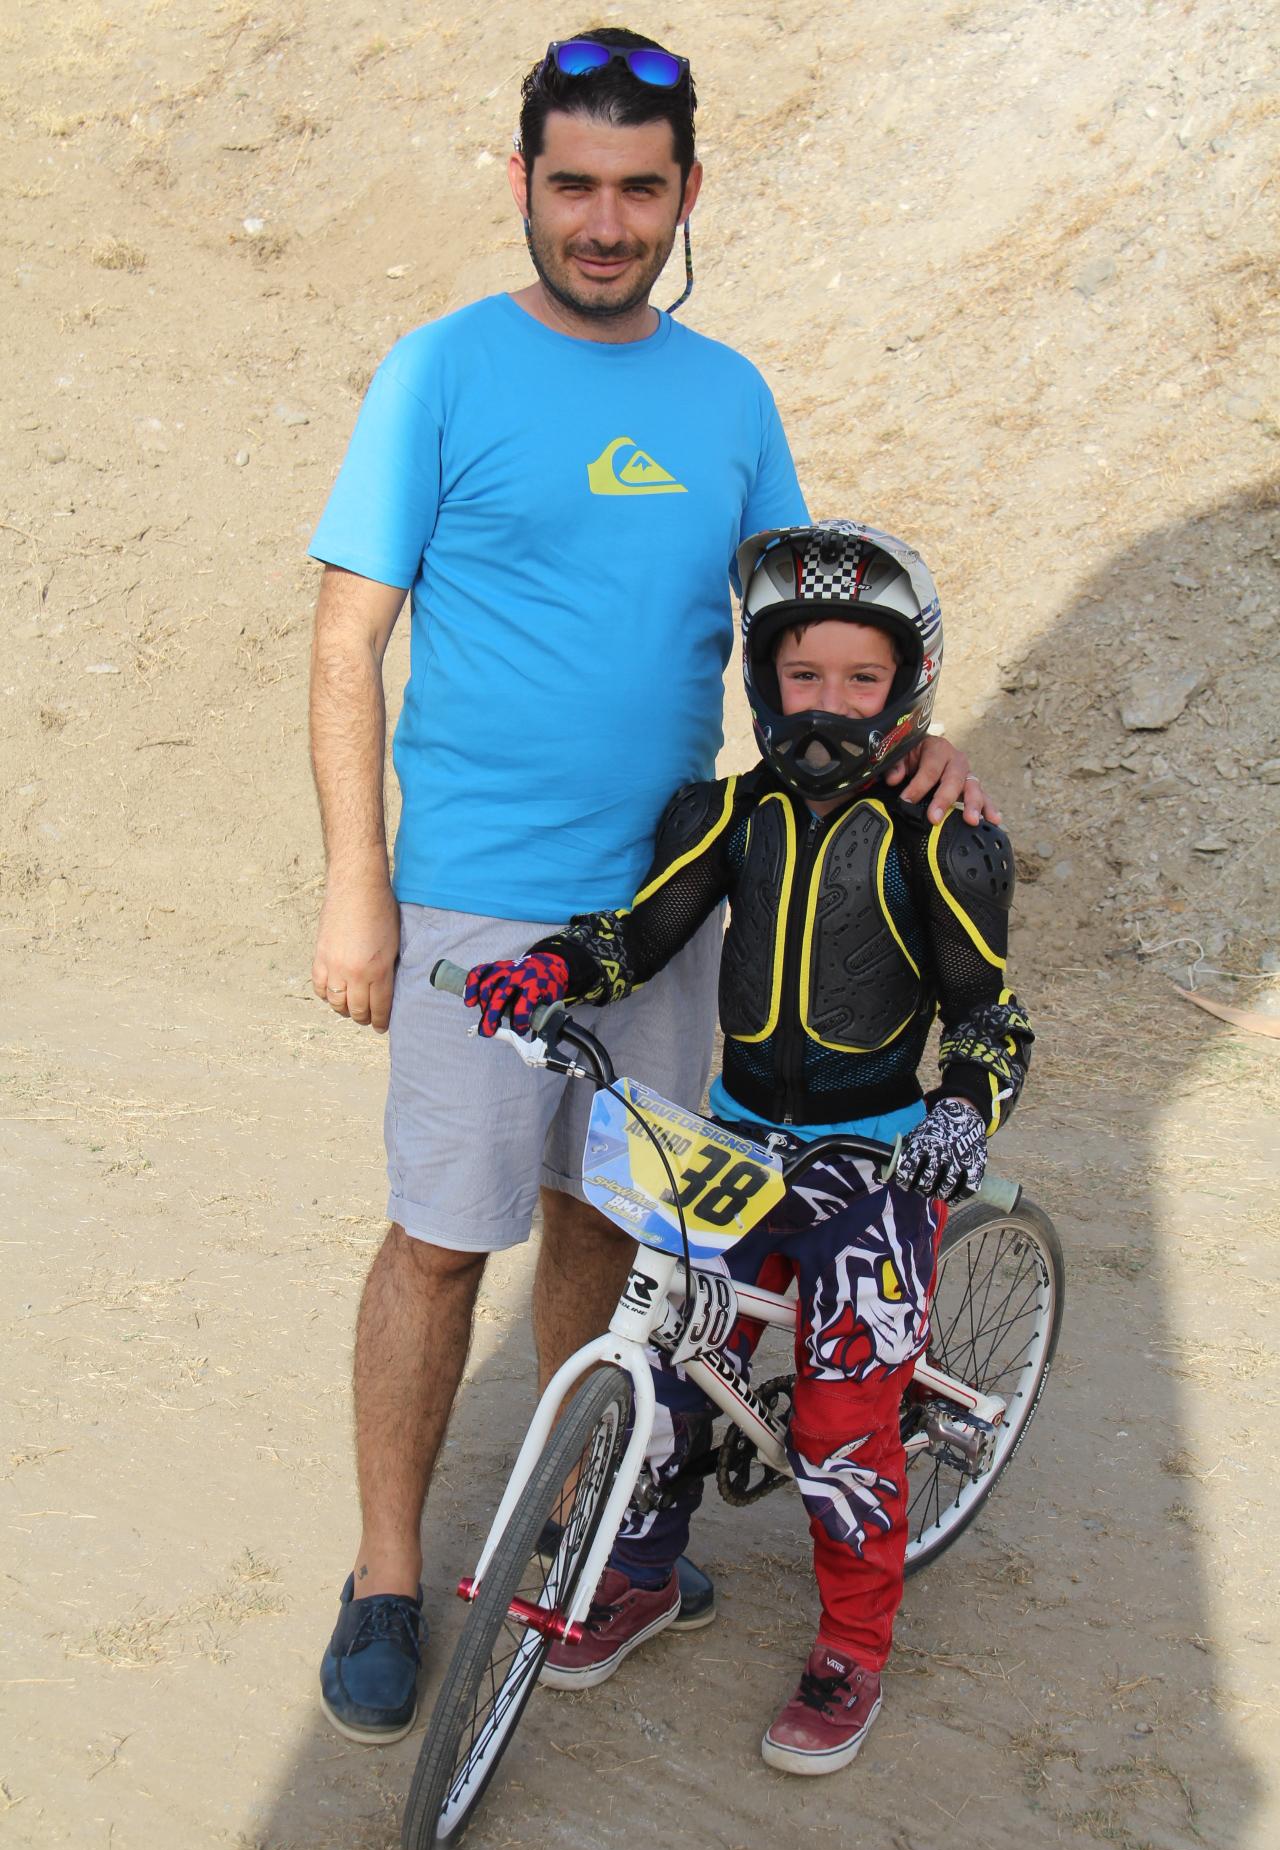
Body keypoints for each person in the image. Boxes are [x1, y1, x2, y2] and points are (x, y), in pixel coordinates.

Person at [308, 28, 996, 1745]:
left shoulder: (729, 398)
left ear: (687, 193)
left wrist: (928, 748)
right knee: (441, 1243)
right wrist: (357, 886)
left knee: (614, 1231)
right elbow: (344, 640)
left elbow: (813, 629)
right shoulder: (441, 372)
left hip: (684, 906)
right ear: (523, 183)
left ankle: (581, 1523)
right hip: (481, 896)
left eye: (637, 188)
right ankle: (386, 1574)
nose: (603, 223)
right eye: (573, 185)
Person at [464, 520, 1033, 1774]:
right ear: (762, 677)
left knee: (840, 1422)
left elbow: (989, 1021)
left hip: (876, 1160)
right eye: (800, 672)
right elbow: (636, 935)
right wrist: (546, 971)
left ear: (908, 684)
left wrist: (959, 1113)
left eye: (860, 679)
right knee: (667, 1362)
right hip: (734, 1143)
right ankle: (643, 1577)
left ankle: (852, 1646)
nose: (825, 703)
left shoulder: (944, 839)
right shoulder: (724, 813)